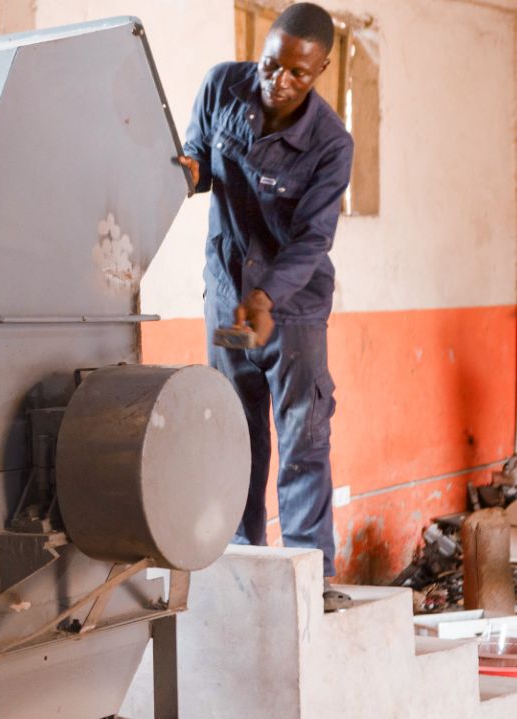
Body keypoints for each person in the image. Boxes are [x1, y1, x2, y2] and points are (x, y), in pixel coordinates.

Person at [178, 3, 353, 611]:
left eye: (297, 74)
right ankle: (237, 564)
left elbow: (312, 239)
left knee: (303, 437)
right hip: (229, 303)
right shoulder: (223, 83)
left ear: (322, 69)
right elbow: (196, 156)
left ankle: (311, 579)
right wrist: (189, 170)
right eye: (271, 64)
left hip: (292, 311)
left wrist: (268, 297)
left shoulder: (332, 145)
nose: (278, 81)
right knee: (235, 431)